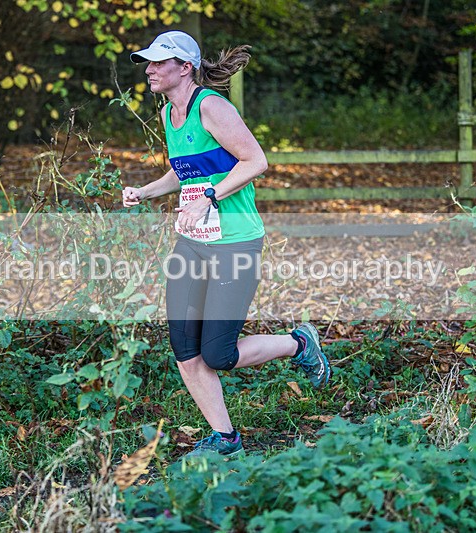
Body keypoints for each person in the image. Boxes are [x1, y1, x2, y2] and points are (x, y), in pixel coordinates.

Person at [122, 31, 330, 457]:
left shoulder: (211, 107)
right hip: (192, 244)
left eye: (160, 63)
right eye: (148, 62)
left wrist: (210, 198)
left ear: (185, 67)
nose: (149, 70)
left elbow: (256, 161)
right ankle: (226, 439)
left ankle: (300, 343)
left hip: (235, 243)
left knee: (218, 354)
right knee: (184, 350)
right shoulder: (169, 114)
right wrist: (146, 191)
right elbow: (185, 171)